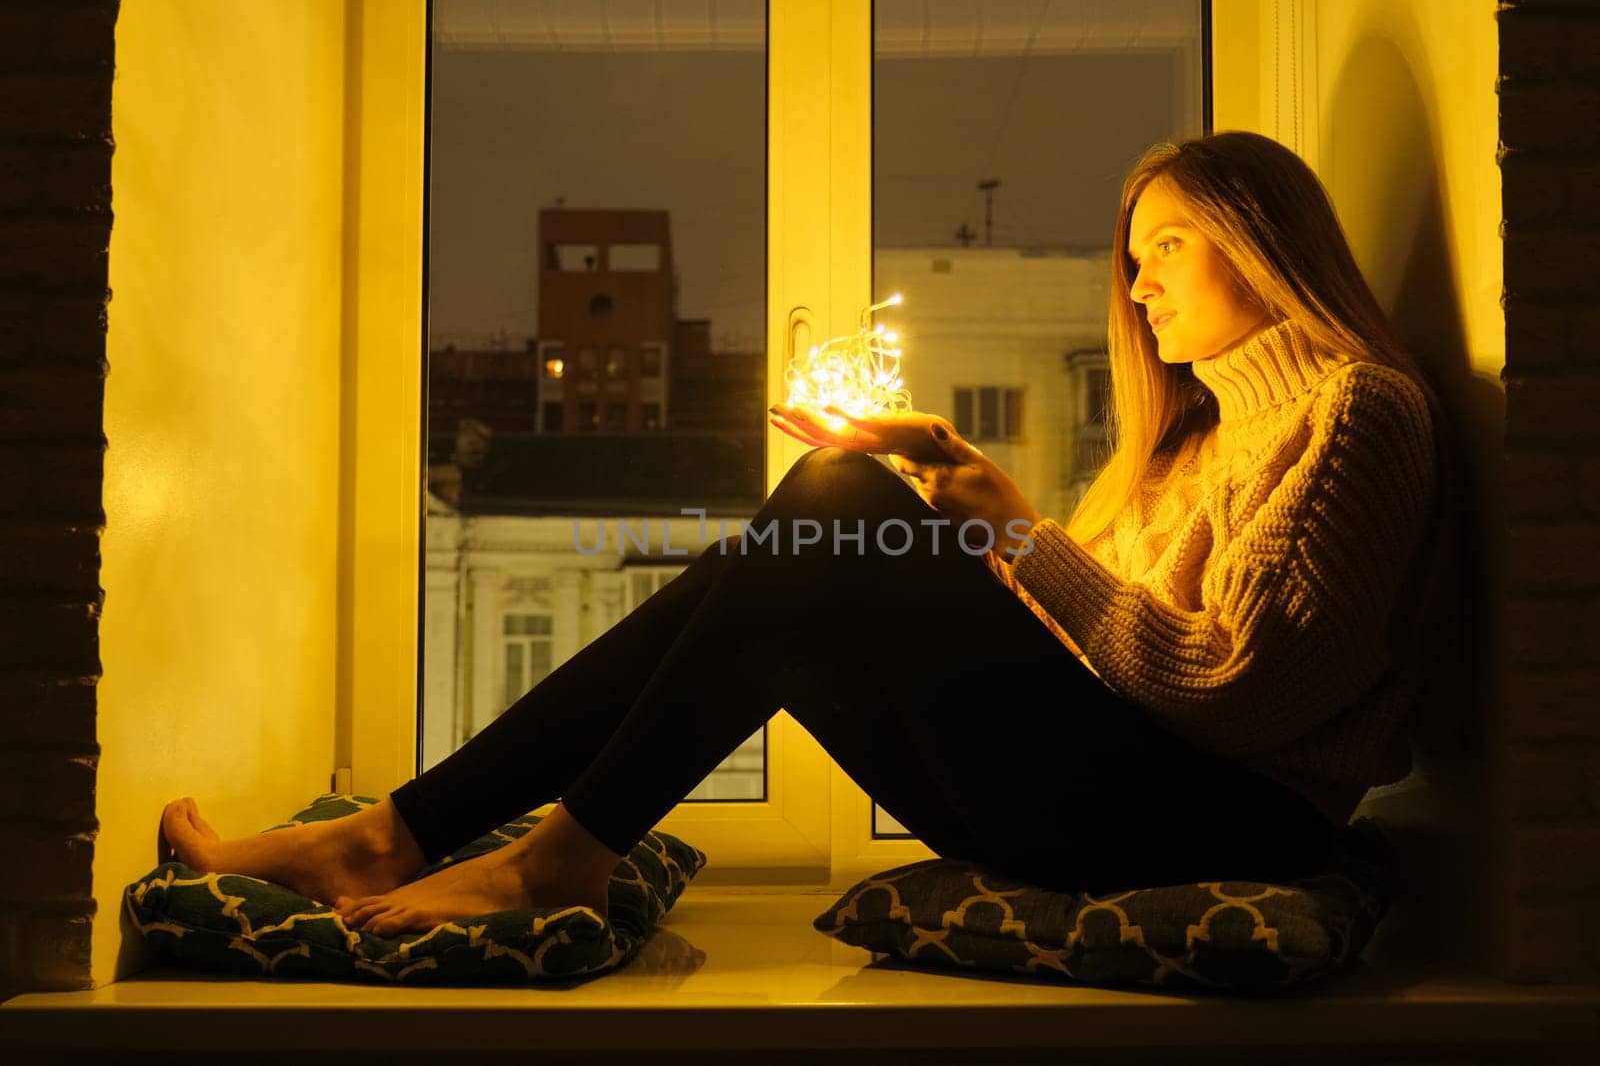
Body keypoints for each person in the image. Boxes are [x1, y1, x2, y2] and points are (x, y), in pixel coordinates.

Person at [160, 130, 1465, 939]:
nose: (1139, 284)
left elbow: (1239, 691)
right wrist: (964, 499)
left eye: (1171, 245)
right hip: (1120, 791)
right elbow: (1092, 653)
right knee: (794, 538)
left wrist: (1012, 533)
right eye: (1133, 258)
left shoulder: (1356, 413)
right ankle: (404, 832)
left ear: (1266, 242)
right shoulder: (1180, 442)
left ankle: (548, 850)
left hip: (1225, 820)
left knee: (833, 513)